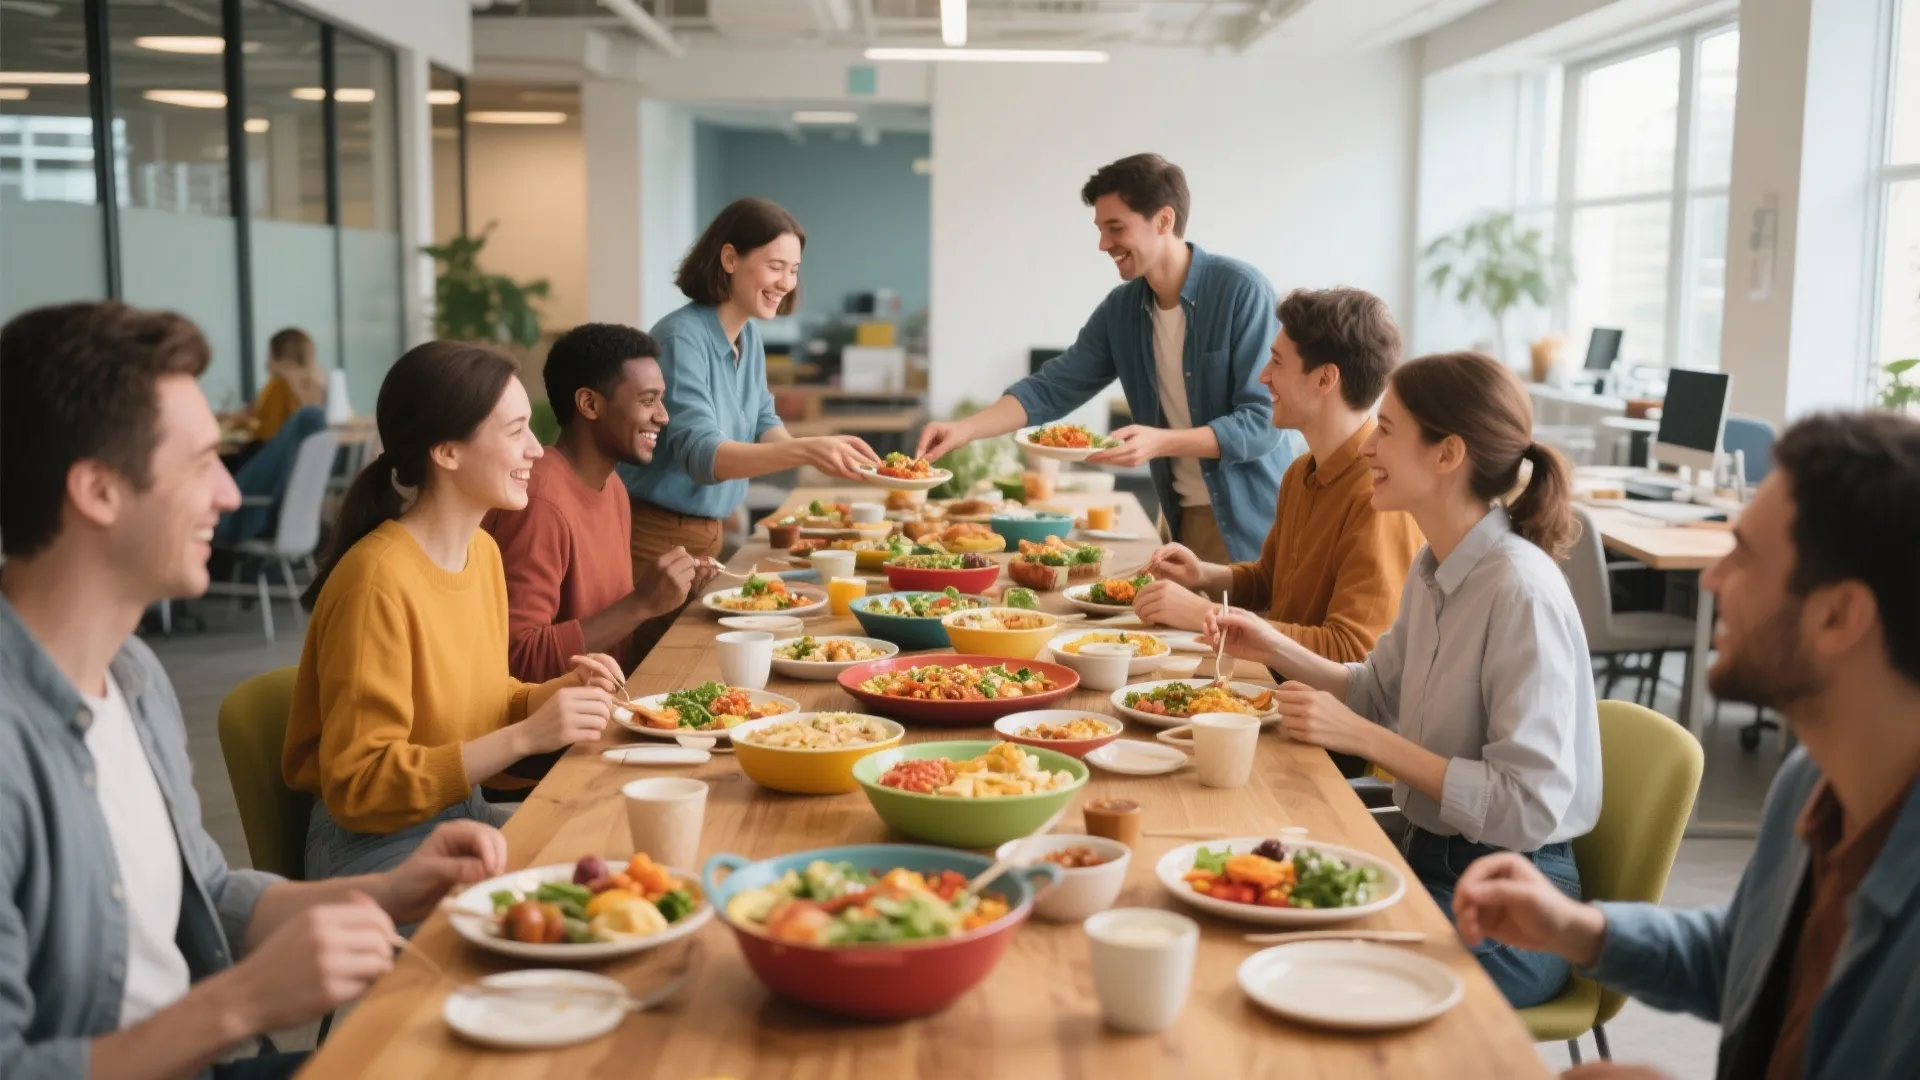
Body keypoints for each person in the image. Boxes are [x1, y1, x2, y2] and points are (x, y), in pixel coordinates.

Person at [1, 301, 508, 1080]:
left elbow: (204, 891)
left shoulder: (134, 678)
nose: (230, 498)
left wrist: (390, 887)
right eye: (202, 465)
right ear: (99, 491)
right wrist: (237, 1006)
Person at [1452, 412, 1920, 1080]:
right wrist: (1581, 929)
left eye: (1744, 555)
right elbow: (1747, 957)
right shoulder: (1811, 780)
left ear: (1838, 616)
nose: (1711, 578)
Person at [1207, 350, 1600, 1007]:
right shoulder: (1434, 565)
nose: (1367, 449)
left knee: (1305, 971)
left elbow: (1525, 803)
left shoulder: (1519, 590)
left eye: (1386, 430)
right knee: (1246, 915)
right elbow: (1377, 690)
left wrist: (1368, 738)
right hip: (1430, 859)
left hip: (1514, 903)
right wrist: (1271, 641)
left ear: (1448, 455)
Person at [285, 340, 624, 882]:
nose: (537, 450)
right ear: (446, 452)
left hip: (461, 811)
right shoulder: (377, 582)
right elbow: (360, 785)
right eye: (516, 432)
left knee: (615, 855)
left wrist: (555, 693)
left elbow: (480, 699)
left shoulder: (482, 553)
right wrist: (526, 738)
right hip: (372, 844)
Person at [916, 154, 1301, 564]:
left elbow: (1262, 424)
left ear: (1164, 220)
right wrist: (964, 430)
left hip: (1259, 523)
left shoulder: (1241, 291)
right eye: (1100, 230)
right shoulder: (1123, 310)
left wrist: (1160, 443)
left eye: (1116, 228)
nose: (1103, 245)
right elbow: (1052, 388)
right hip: (1181, 519)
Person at [619, 197, 881, 654]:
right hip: (654, 537)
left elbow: (763, 418)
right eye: (776, 266)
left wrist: (814, 450)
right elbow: (705, 458)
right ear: (729, 258)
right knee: (663, 668)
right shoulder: (682, 338)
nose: (786, 282)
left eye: (794, 270)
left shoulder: (748, 335)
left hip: (704, 532)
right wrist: (805, 450)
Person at [480, 323, 718, 788]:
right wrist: (643, 604)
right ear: (589, 404)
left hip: (601, 722)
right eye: (648, 401)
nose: (664, 417)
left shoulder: (613, 488)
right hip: (542, 761)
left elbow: (601, 624)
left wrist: (672, 597)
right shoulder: (540, 503)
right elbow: (514, 662)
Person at [1133, 286, 1423, 663]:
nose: (1263, 377)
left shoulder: (1380, 496)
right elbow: (1272, 581)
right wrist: (1203, 575)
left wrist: (1206, 615)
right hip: (1276, 686)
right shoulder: (1301, 472)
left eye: (1277, 363)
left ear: (1324, 379)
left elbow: (1351, 652)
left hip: (1321, 713)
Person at [251, 327, 326, 443]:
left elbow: (266, 432)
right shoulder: (323, 382)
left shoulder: (280, 383)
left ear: (276, 356)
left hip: (282, 454)